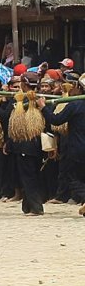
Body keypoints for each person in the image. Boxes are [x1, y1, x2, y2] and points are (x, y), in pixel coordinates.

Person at [0, 74, 45, 216]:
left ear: (24, 86)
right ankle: (28, 206)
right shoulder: (40, 97)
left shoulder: (21, 100)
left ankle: (36, 208)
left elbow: (4, 116)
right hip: (36, 144)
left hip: (25, 145)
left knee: (28, 177)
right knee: (30, 176)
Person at [38, 75, 85, 216]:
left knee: (71, 177)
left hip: (77, 148)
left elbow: (56, 120)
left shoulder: (75, 105)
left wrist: (43, 107)